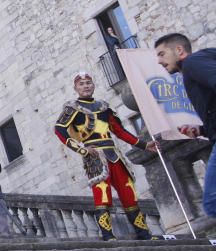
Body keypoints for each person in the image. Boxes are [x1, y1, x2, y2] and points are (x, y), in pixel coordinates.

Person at [54, 72, 158, 240]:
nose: (86, 86)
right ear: (76, 88)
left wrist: (144, 145)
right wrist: (82, 150)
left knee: (128, 192)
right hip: (95, 157)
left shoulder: (104, 107)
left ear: (93, 85)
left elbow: (120, 131)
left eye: (88, 82)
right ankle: (108, 235)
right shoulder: (72, 108)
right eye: (82, 84)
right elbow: (59, 129)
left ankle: (144, 233)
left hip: (114, 155)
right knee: (102, 195)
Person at [156, 33, 216, 216]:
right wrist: (201, 130)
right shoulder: (194, 69)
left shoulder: (192, 63)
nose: (159, 61)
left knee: (212, 202)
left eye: (162, 54)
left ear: (179, 51)